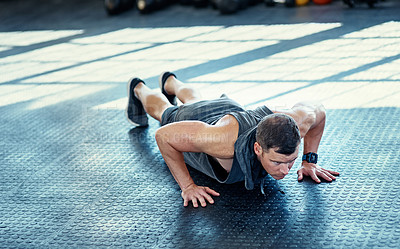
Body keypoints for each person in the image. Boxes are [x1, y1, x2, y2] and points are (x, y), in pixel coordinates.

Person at [126, 72, 340, 208]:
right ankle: (139, 88)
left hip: (231, 110)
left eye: (290, 161)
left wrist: (309, 160)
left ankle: (171, 81)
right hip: (200, 122)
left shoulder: (294, 124)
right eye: (277, 162)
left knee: (196, 99)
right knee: (165, 111)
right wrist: (188, 186)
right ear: (257, 148)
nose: (285, 171)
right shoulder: (223, 142)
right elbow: (163, 136)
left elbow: (317, 110)